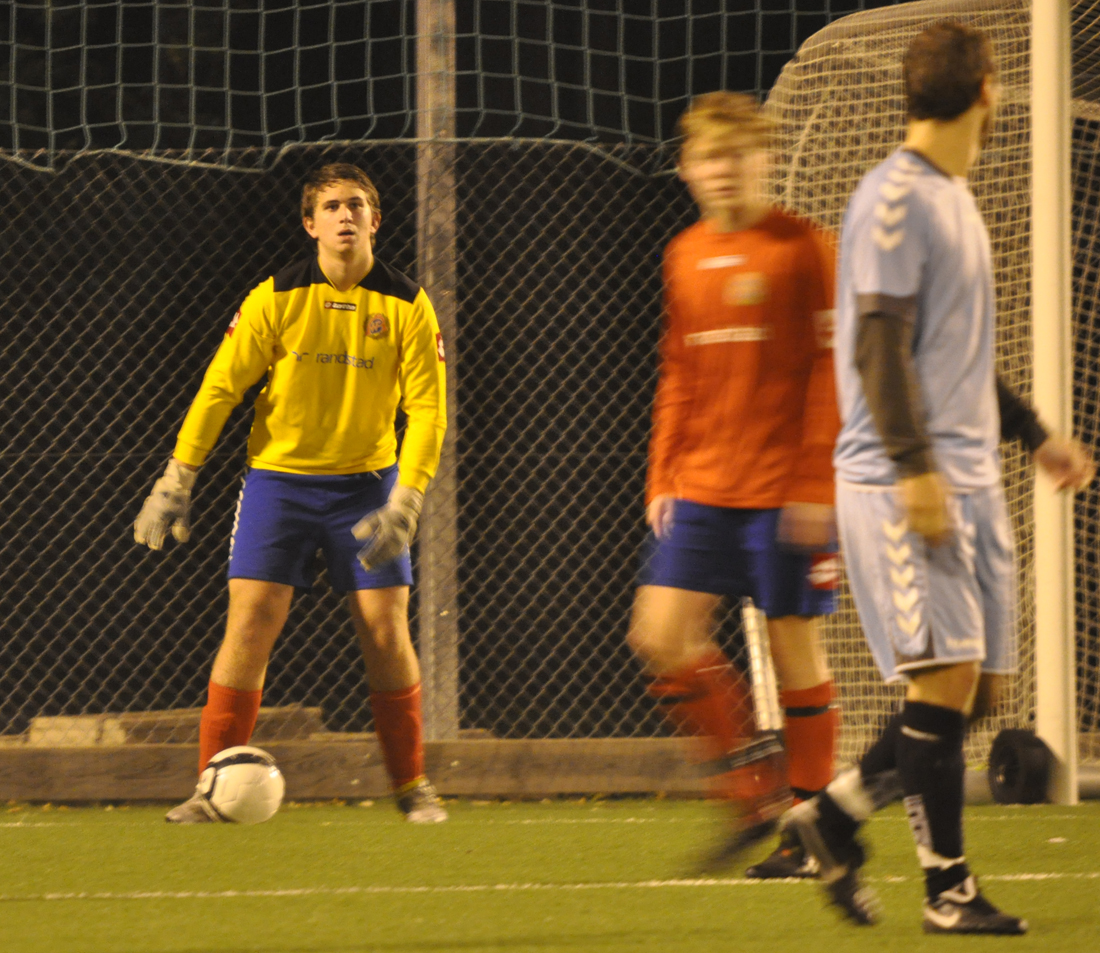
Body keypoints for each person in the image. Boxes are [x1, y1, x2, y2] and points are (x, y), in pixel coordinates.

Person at [782, 20, 1095, 932]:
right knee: (943, 678)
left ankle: (833, 815)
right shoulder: (894, 196)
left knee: (978, 690)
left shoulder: (954, 197)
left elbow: (952, 354)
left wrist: (1034, 434)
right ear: (988, 88)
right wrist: (914, 472)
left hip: (967, 475)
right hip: (900, 478)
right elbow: (878, 345)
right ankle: (947, 889)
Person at [134, 162, 449, 824]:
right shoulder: (275, 297)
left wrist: (408, 497)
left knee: (386, 628)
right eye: (331, 206)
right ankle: (210, 787)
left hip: (368, 486)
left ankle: (412, 785)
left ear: (375, 220)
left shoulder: (408, 305)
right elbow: (221, 386)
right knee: (250, 620)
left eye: (356, 204)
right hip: (279, 484)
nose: (344, 215)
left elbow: (427, 410)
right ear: (310, 224)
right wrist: (178, 476)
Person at [626, 91, 842, 874]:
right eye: (709, 157)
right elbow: (678, 370)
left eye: (738, 155)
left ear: (765, 161)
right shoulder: (683, 253)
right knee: (658, 636)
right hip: (704, 488)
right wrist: (663, 472)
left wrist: (817, 480)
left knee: (795, 654)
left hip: (786, 493)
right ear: (687, 168)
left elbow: (832, 373)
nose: (723, 170)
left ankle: (810, 835)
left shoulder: (806, 247)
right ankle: (755, 795)